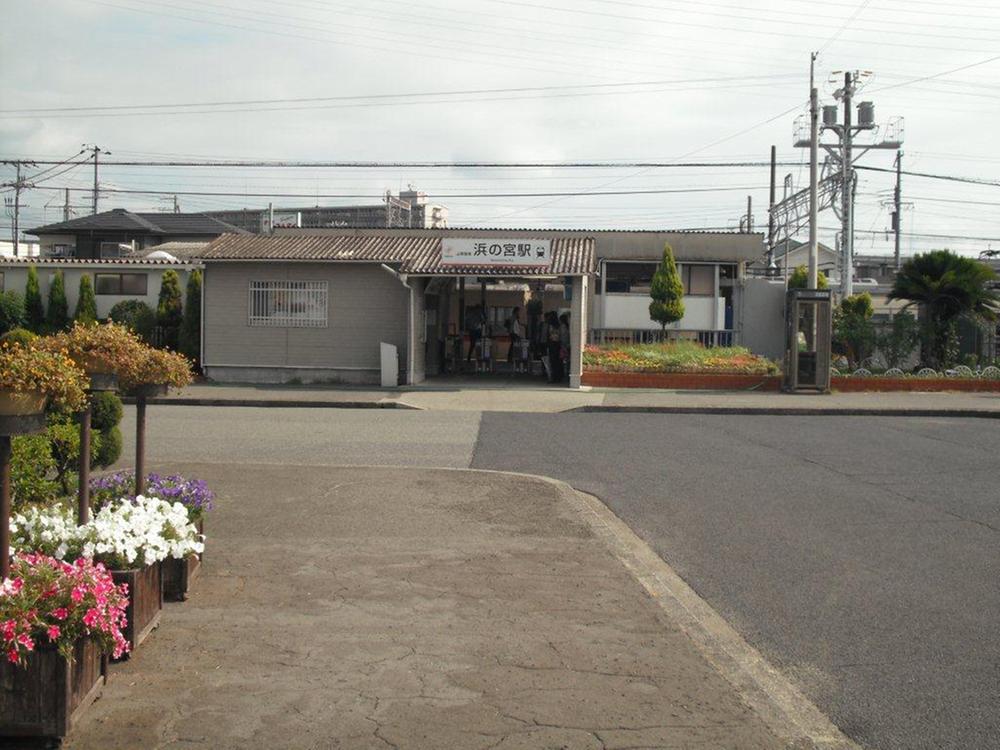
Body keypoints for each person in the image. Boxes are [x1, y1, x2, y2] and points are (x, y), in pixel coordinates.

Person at [544, 311, 563, 383]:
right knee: (558, 361)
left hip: (552, 344)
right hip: (558, 344)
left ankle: (554, 377)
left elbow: (549, 335)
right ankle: (559, 376)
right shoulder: (559, 325)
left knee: (553, 361)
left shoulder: (550, 325)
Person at [559, 312, 571, 382]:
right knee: (567, 360)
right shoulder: (567, 326)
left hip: (564, 345)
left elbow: (563, 337)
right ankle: (566, 374)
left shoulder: (563, 326)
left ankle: (565, 375)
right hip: (567, 345)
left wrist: (563, 345)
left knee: (564, 360)